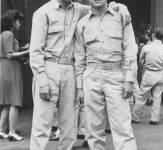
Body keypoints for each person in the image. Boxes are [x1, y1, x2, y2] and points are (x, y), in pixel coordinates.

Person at [29, 0, 131, 149]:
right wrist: (42, 80)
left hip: (70, 69)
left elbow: (101, 7)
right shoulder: (42, 13)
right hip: (48, 68)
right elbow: (35, 50)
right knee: (42, 125)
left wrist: (122, 7)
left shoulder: (79, 9)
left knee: (69, 127)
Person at [74, 0, 138, 149]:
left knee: (123, 130)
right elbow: (79, 58)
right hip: (91, 77)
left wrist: (129, 79)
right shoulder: (82, 24)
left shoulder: (121, 16)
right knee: (93, 133)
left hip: (116, 75)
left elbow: (130, 49)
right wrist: (79, 88)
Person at [0, 10, 29, 141]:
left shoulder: (5, 34)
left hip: (7, 68)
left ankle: (1, 130)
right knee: (15, 102)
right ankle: (12, 132)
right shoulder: (8, 34)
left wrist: (22, 50)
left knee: (7, 103)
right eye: (18, 21)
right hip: (10, 69)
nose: (20, 24)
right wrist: (28, 51)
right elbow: (10, 54)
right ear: (12, 22)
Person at [132, 27, 163, 125]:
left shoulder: (147, 47)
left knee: (142, 96)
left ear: (153, 36)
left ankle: (136, 117)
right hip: (161, 73)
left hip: (150, 73)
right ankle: (154, 119)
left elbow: (140, 60)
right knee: (157, 97)